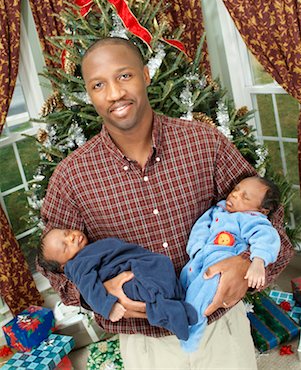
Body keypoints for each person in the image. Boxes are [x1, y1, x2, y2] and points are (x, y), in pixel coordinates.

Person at [39, 37, 294, 370]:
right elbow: (53, 268)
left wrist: (246, 264)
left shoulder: (205, 143)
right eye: (99, 84)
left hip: (221, 331)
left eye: (124, 76)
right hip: (146, 345)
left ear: (146, 75)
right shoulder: (71, 177)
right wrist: (95, 293)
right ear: (89, 93)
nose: (114, 93)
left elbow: (270, 218)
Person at [180, 175, 281, 352]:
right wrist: (196, 250)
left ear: (262, 210)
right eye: (236, 190)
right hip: (200, 258)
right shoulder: (217, 210)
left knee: (200, 296)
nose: (234, 195)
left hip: (222, 262)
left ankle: (191, 332)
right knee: (185, 280)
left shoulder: (252, 218)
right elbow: (200, 227)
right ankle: (176, 309)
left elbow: (266, 238)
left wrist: (258, 261)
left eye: (245, 197)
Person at [37, 228, 197, 339]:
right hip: (128, 282)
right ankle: (174, 315)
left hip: (139, 265)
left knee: (161, 269)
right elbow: (89, 289)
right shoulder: (76, 266)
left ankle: (178, 305)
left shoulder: (88, 250)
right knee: (151, 295)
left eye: (67, 233)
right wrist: (108, 307)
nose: (71, 237)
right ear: (64, 266)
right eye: (65, 246)